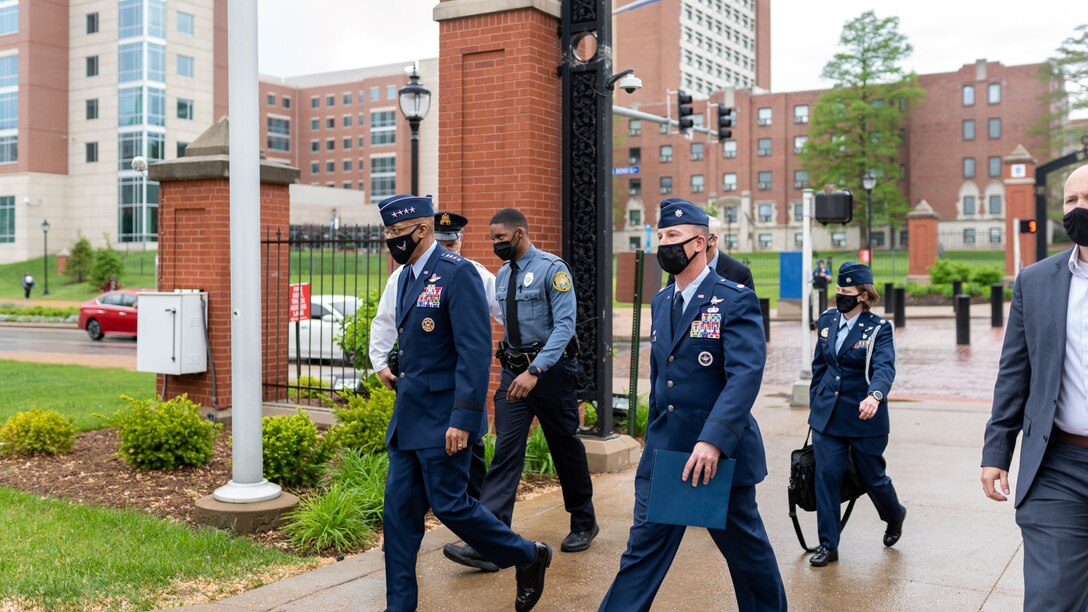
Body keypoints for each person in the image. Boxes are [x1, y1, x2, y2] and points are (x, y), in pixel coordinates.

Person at [599, 198, 786, 611]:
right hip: (667, 454)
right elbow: (663, 378)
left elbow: (744, 376)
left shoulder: (733, 299)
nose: (665, 244)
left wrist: (714, 441)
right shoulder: (663, 301)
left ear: (700, 243)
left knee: (747, 556)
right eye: (661, 235)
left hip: (717, 456)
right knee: (641, 553)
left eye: (675, 237)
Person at [376, 195, 551, 612]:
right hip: (408, 419)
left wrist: (464, 419)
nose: (391, 241)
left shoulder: (459, 274)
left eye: (396, 233)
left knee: (452, 506)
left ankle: (528, 555)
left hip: (444, 420)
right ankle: (398, 606)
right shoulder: (403, 278)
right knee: (398, 519)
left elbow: (474, 353)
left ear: (422, 230)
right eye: (386, 234)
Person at [444, 208, 598, 573]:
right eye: (492, 239)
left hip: (550, 374)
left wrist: (536, 370)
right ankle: (491, 543)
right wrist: (518, 370)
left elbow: (564, 326)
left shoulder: (552, 269)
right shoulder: (500, 276)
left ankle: (583, 520)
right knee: (506, 453)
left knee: (565, 448)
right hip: (513, 373)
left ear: (520, 233)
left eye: (500, 238)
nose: (495, 244)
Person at [982, 163, 1088, 610]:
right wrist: (996, 452)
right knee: (1051, 600)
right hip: (1058, 466)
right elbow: (1014, 373)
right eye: (1071, 201)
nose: (1079, 209)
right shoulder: (1036, 281)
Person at [370, 210, 501, 499]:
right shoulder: (402, 277)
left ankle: (485, 532)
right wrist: (380, 362)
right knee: (426, 489)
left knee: (472, 470)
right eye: (441, 243)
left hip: (461, 392)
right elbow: (385, 320)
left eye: (451, 244)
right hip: (427, 399)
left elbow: (505, 317)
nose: (446, 248)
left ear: (460, 241)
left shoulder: (473, 273)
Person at [807, 262, 903, 567]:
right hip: (828, 417)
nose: (839, 296)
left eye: (846, 292)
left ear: (863, 295)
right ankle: (828, 545)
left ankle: (894, 515)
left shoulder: (878, 329)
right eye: (838, 290)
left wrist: (875, 396)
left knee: (872, 478)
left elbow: (884, 368)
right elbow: (819, 367)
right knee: (826, 477)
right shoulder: (826, 320)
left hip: (865, 417)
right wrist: (816, 403)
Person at [665, 216, 755, 288]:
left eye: (698, 239)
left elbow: (748, 309)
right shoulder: (679, 268)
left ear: (713, 240)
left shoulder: (739, 272)